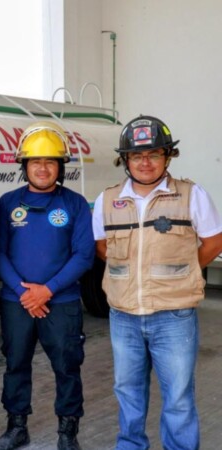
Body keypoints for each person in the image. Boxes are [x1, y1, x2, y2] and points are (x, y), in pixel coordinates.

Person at [93, 115, 222, 450]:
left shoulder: (191, 195)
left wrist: (186, 271)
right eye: (137, 155)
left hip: (174, 316)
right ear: (125, 160)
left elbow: (213, 242)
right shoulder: (106, 200)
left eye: (154, 154)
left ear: (168, 156)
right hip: (124, 317)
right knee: (127, 392)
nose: (145, 162)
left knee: (178, 397)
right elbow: (103, 248)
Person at [0, 122, 94, 450]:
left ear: (61, 167)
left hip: (61, 302)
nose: (43, 168)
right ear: (24, 166)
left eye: (51, 162)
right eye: (36, 161)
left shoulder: (75, 203)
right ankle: (17, 427)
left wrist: (47, 290)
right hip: (17, 301)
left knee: (67, 365)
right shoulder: (7, 202)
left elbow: (84, 255)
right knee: (15, 364)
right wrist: (24, 293)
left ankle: (68, 432)